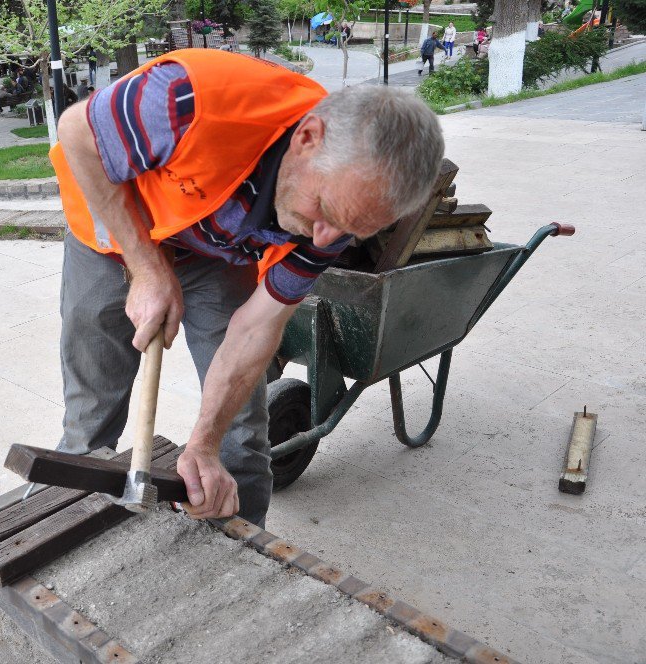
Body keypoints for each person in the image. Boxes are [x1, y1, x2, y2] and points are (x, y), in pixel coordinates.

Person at [51, 50, 444, 527]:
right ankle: (58, 532)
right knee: (91, 415)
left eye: (347, 231)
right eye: (323, 209)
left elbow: (256, 328)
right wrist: (149, 268)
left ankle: (245, 552)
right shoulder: (187, 100)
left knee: (239, 437)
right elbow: (77, 132)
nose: (321, 239)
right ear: (307, 139)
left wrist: (203, 444)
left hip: (214, 251)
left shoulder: (333, 218)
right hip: (113, 234)